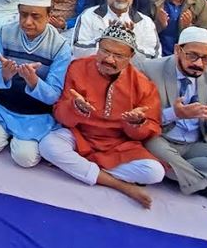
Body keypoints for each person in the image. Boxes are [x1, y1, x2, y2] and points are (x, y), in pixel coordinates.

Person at [40, 23, 165, 208]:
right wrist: (75, 108)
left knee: (155, 173)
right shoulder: (78, 68)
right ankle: (121, 185)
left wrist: (137, 123)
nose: (109, 59)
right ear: (98, 47)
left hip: (116, 145)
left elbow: (151, 128)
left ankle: (82, 168)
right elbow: (59, 114)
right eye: (105, 51)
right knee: (48, 145)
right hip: (79, 136)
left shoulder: (143, 84)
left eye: (118, 56)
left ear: (131, 57)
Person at [137, 27, 207, 204]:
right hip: (160, 137)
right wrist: (174, 113)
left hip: (193, 144)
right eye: (192, 55)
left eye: (206, 58)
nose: (198, 63)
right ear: (177, 50)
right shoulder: (149, 69)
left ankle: (174, 171)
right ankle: (205, 188)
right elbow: (138, 114)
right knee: (155, 148)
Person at [0, 0, 73, 167]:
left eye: (35, 16)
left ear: (49, 15)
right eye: (23, 15)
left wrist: (34, 81)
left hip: (34, 113)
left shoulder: (60, 47)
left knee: (25, 158)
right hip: (0, 106)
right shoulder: (4, 33)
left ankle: (20, 138)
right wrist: (4, 75)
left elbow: (53, 95)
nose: (28, 22)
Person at [73, 0, 160, 59]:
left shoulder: (145, 22)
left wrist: (129, 42)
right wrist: (107, 37)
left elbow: (153, 57)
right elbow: (77, 50)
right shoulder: (89, 15)